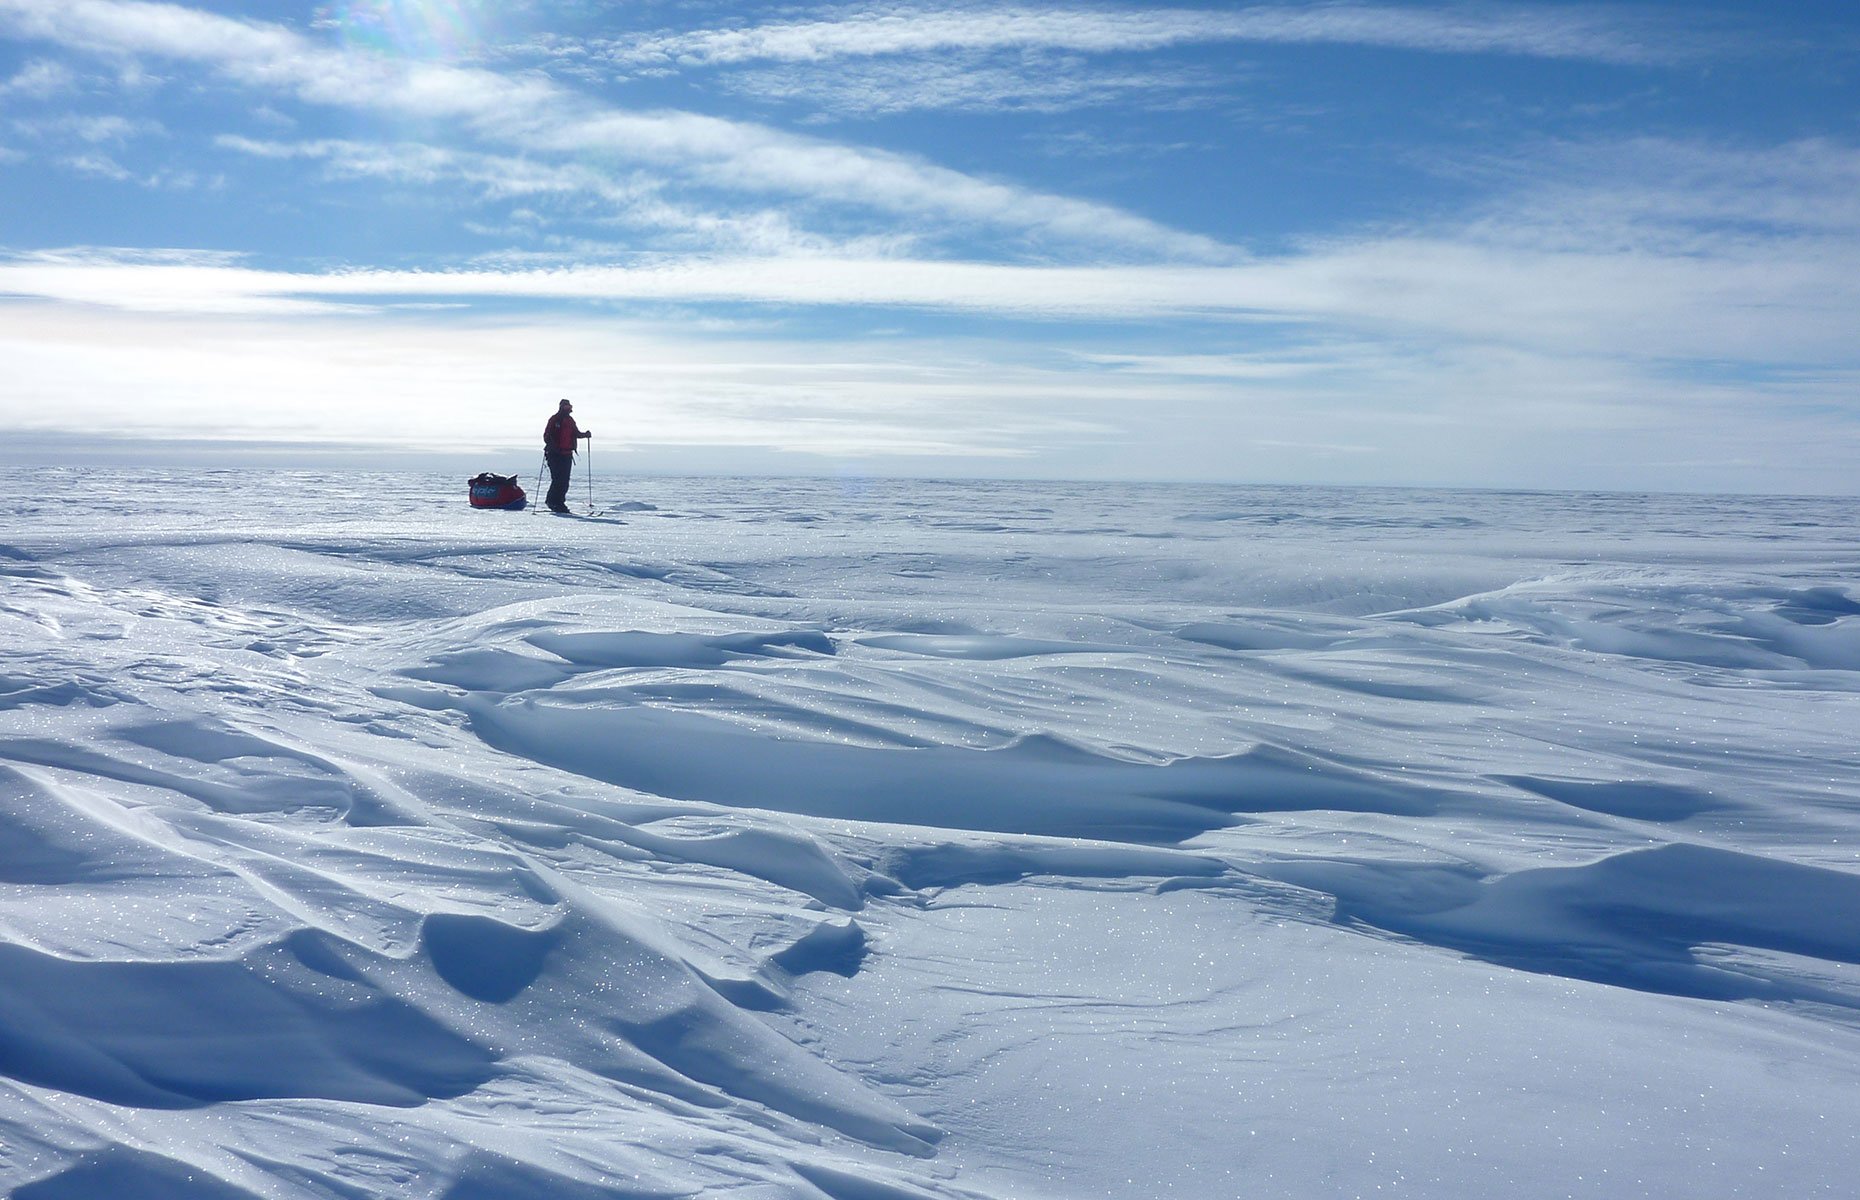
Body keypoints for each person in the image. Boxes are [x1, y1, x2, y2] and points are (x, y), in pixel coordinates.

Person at [542, 398, 591, 513]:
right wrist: (554, 447)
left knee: (564, 481)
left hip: (567, 454)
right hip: (555, 455)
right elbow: (546, 436)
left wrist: (585, 435)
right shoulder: (554, 419)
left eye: (569, 406)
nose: (568, 408)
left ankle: (558, 503)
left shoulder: (570, 420)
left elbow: (576, 433)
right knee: (558, 480)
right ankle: (553, 502)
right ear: (561, 407)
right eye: (566, 406)